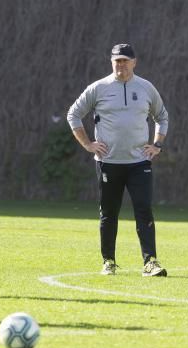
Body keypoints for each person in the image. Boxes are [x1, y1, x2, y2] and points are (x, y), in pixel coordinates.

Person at [67, 43, 168, 277]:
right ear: (111, 62)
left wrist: (157, 145)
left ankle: (150, 262)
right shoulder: (98, 88)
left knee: (144, 210)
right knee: (109, 213)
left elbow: (162, 116)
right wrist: (88, 144)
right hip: (108, 163)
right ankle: (109, 262)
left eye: (125, 60)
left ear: (134, 62)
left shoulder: (145, 88)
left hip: (139, 162)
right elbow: (73, 114)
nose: (120, 64)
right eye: (117, 60)